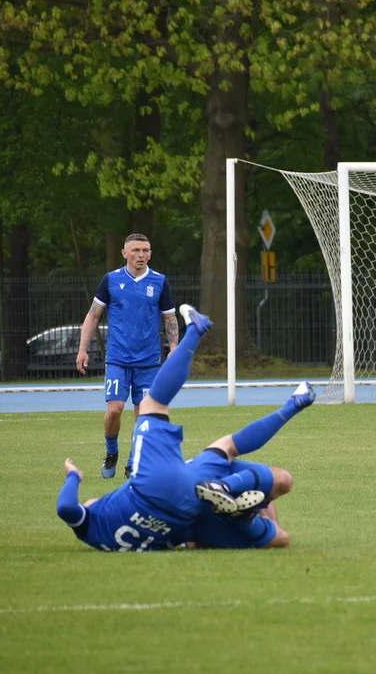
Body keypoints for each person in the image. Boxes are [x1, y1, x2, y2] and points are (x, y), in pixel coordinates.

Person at [56, 304, 316, 551]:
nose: (88, 502)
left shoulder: (116, 541)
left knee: (281, 522)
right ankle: (195, 330)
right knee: (153, 405)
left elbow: (186, 542)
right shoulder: (90, 526)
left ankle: (244, 511)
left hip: (186, 520)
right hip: (155, 488)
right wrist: (73, 476)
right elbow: (67, 508)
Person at [77, 233, 179, 480]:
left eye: (145, 250)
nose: (141, 255)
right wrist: (82, 349)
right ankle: (111, 452)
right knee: (115, 410)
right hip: (118, 358)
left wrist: (174, 346)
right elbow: (93, 315)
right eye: (136, 250)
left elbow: (169, 317)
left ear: (150, 254)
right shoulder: (111, 280)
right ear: (124, 253)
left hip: (149, 361)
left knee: (144, 415)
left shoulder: (159, 281)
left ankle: (133, 462)